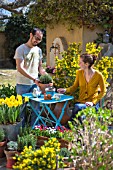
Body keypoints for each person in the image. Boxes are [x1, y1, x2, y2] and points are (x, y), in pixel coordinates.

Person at [14, 27, 49, 127]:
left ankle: (34, 130)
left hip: (35, 85)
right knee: (21, 109)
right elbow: (20, 68)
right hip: (22, 84)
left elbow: (40, 69)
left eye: (40, 39)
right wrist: (33, 78)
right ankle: (20, 132)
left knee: (36, 109)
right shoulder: (20, 49)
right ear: (31, 35)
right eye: (36, 38)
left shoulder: (38, 50)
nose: (37, 41)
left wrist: (47, 78)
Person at [57, 53, 106, 122]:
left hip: (92, 104)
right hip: (81, 102)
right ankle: (73, 128)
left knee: (77, 108)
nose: (78, 64)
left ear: (87, 64)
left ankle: (69, 127)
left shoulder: (98, 75)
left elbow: (103, 91)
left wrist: (93, 102)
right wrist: (65, 90)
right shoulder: (79, 73)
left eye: (80, 62)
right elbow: (74, 87)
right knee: (78, 109)